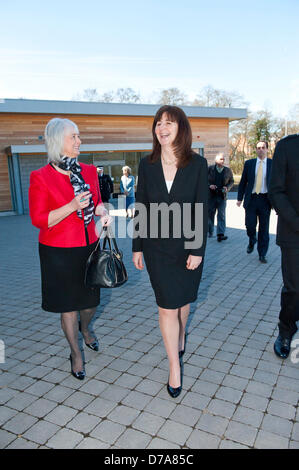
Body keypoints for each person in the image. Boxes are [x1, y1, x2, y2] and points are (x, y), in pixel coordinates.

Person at [132, 105, 208, 398]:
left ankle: (180, 336)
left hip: (188, 248)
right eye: (158, 123)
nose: (162, 128)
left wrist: (198, 249)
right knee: (167, 306)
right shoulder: (146, 164)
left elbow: (202, 209)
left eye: (169, 123)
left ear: (181, 129)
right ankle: (174, 367)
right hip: (157, 249)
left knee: (184, 303)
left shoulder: (197, 164)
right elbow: (141, 206)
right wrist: (137, 246)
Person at [29, 118, 112, 380]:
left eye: (78, 136)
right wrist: (72, 206)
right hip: (58, 252)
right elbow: (39, 219)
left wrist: (102, 213)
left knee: (89, 304)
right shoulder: (40, 177)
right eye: (72, 137)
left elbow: (97, 202)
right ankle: (76, 353)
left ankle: (85, 329)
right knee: (68, 307)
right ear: (57, 142)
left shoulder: (88, 171)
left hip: (88, 247)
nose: (79, 141)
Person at [268, 134, 299, 359]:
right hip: (293, 233)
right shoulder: (287, 147)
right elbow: (276, 190)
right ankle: (286, 330)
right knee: (294, 288)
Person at [237, 141, 272, 263]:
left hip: (265, 200)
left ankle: (262, 254)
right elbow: (243, 182)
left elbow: (277, 183)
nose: (261, 150)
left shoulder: (273, 164)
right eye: (258, 148)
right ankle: (252, 239)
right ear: (256, 150)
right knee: (250, 225)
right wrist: (239, 198)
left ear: (267, 149)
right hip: (251, 199)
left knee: (264, 228)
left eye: (263, 147)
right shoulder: (249, 164)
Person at [208, 153, 234, 241]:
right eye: (220, 159)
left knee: (221, 215)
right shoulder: (210, 169)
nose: (222, 161)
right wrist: (209, 185)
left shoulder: (227, 170)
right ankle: (209, 231)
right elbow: (203, 179)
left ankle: (220, 234)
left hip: (222, 196)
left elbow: (231, 181)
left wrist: (227, 187)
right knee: (210, 215)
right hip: (211, 196)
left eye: (223, 159)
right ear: (216, 160)